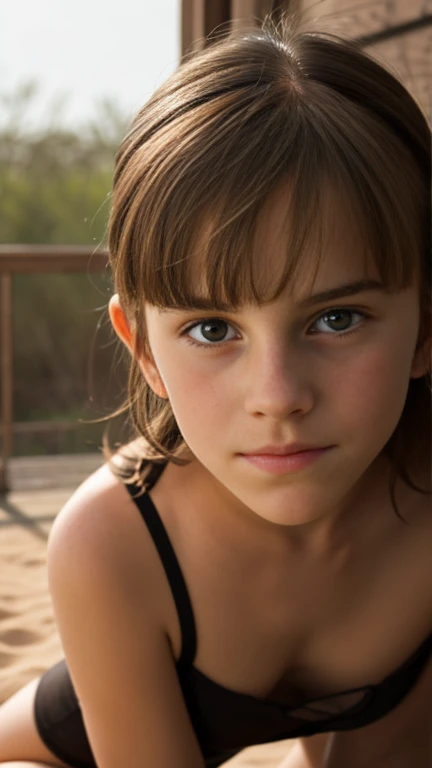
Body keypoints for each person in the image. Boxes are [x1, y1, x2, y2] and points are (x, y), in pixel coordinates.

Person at [0, 11, 431, 768]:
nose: (278, 396)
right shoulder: (115, 545)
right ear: (146, 354)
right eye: (210, 329)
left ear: (426, 325)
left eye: (336, 318)